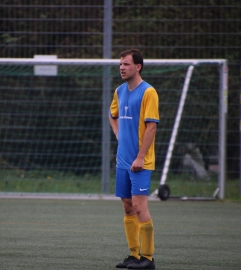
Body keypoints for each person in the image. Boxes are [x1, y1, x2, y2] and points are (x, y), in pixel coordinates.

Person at [109, 49, 159, 270]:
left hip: (140, 161)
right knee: (128, 207)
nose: (122, 67)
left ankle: (148, 259)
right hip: (123, 161)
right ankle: (133, 255)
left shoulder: (148, 92)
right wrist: (118, 134)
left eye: (126, 64)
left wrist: (140, 157)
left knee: (139, 207)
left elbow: (151, 127)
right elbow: (112, 115)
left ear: (138, 67)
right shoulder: (119, 91)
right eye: (120, 64)